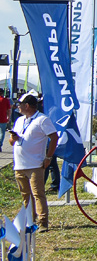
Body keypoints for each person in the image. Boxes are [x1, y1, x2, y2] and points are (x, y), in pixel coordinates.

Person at [9, 93, 58, 229]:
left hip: (35, 164)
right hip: (19, 164)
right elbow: (11, 142)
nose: (17, 107)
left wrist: (48, 157)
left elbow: (54, 137)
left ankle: (43, 222)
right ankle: (29, 220)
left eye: (20, 104)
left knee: (38, 194)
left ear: (27, 105)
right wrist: (13, 138)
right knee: (25, 195)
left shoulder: (42, 120)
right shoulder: (19, 121)